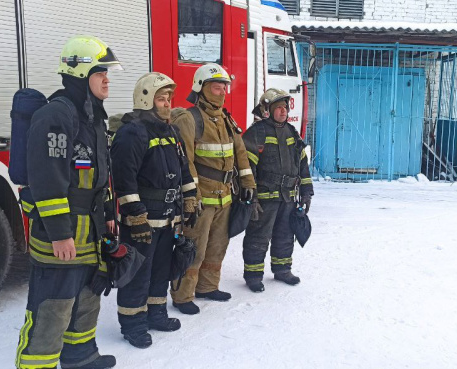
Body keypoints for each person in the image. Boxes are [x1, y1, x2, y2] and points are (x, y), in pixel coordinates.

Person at [15, 35, 122, 369]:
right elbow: (48, 180)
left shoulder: (92, 117)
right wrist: (61, 233)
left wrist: (107, 215)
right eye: (100, 72)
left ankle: (80, 357)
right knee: (53, 306)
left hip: (88, 233)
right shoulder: (56, 117)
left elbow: (98, 178)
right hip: (60, 236)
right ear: (80, 74)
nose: (107, 79)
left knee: (86, 298)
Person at [110, 72, 196, 348]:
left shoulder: (170, 131)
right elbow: (124, 179)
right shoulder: (132, 132)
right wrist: (135, 216)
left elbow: (183, 169)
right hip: (143, 220)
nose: (167, 103)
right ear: (145, 100)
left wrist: (190, 198)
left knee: (161, 269)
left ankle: (156, 313)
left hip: (168, 217)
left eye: (169, 98)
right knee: (137, 273)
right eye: (161, 98)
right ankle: (133, 324)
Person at [169, 63, 256, 315]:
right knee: (193, 247)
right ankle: (183, 295)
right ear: (201, 87)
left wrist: (248, 183)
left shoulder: (225, 118)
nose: (222, 91)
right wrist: (191, 196)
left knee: (217, 246)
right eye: (216, 86)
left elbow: (240, 153)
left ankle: (207, 287)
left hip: (225, 198)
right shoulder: (189, 118)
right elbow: (185, 160)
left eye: (224, 86)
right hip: (202, 199)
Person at [240, 88, 313, 292]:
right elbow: (247, 168)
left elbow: (302, 164)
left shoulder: (291, 132)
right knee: (258, 237)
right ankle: (253, 275)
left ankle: (282, 270)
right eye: (278, 107)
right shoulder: (256, 132)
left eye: (285, 107)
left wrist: (306, 192)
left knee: (285, 235)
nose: (283, 111)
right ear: (267, 110)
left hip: (288, 196)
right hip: (264, 198)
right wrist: (251, 197)